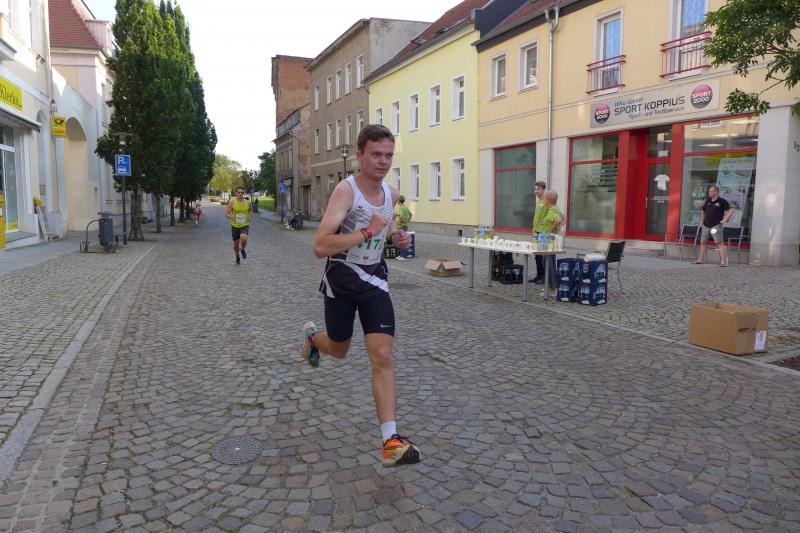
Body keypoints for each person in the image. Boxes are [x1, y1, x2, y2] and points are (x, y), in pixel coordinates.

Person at [300, 124, 420, 468]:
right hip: (341, 279)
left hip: (374, 280)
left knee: (382, 354)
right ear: (359, 155)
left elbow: (387, 230)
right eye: (376, 154)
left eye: (388, 155)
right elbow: (321, 246)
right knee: (339, 349)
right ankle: (313, 339)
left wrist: (396, 238)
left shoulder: (391, 193)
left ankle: (390, 441)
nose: (383, 161)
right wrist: (367, 231)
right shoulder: (345, 192)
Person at [533, 189, 564, 296]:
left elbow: (558, 220)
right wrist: (555, 229)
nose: (544, 200)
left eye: (545, 198)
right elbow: (563, 219)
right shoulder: (556, 209)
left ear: (549, 200)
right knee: (547, 263)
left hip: (549, 242)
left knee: (548, 264)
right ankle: (550, 286)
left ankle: (553, 289)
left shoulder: (552, 210)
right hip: (550, 242)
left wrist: (549, 232)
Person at [695, 185, 734, 266]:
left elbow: (731, 210)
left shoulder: (721, 201)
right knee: (703, 242)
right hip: (706, 225)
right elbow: (702, 210)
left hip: (716, 225)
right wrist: (703, 220)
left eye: (711, 191)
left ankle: (722, 261)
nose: (709, 193)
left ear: (716, 192)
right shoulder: (708, 201)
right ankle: (700, 259)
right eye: (709, 191)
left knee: (720, 243)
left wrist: (725, 219)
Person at [225, 186, 253, 264]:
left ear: (244, 193)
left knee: (244, 238)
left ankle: (242, 249)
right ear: (236, 193)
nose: (240, 194)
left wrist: (250, 216)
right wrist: (231, 216)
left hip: (245, 224)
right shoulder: (232, 202)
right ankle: (237, 256)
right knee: (236, 244)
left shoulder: (247, 202)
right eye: (239, 192)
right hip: (235, 226)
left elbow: (251, 210)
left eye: (242, 192)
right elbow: (226, 213)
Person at [529, 181, 547, 283]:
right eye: (535, 189)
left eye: (538, 189)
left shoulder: (546, 200)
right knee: (537, 255)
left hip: (543, 232)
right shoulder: (538, 200)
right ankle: (539, 275)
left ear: (544, 190)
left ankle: (544, 277)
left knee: (542, 255)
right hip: (537, 231)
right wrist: (534, 231)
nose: (536, 191)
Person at [393, 195, 413, 260]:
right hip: (405, 226)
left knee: (401, 241)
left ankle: (403, 256)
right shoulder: (405, 207)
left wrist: (399, 222)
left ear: (398, 201)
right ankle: (401, 255)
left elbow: (400, 216)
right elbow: (411, 214)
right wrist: (408, 220)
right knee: (403, 240)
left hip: (400, 226)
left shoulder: (400, 208)